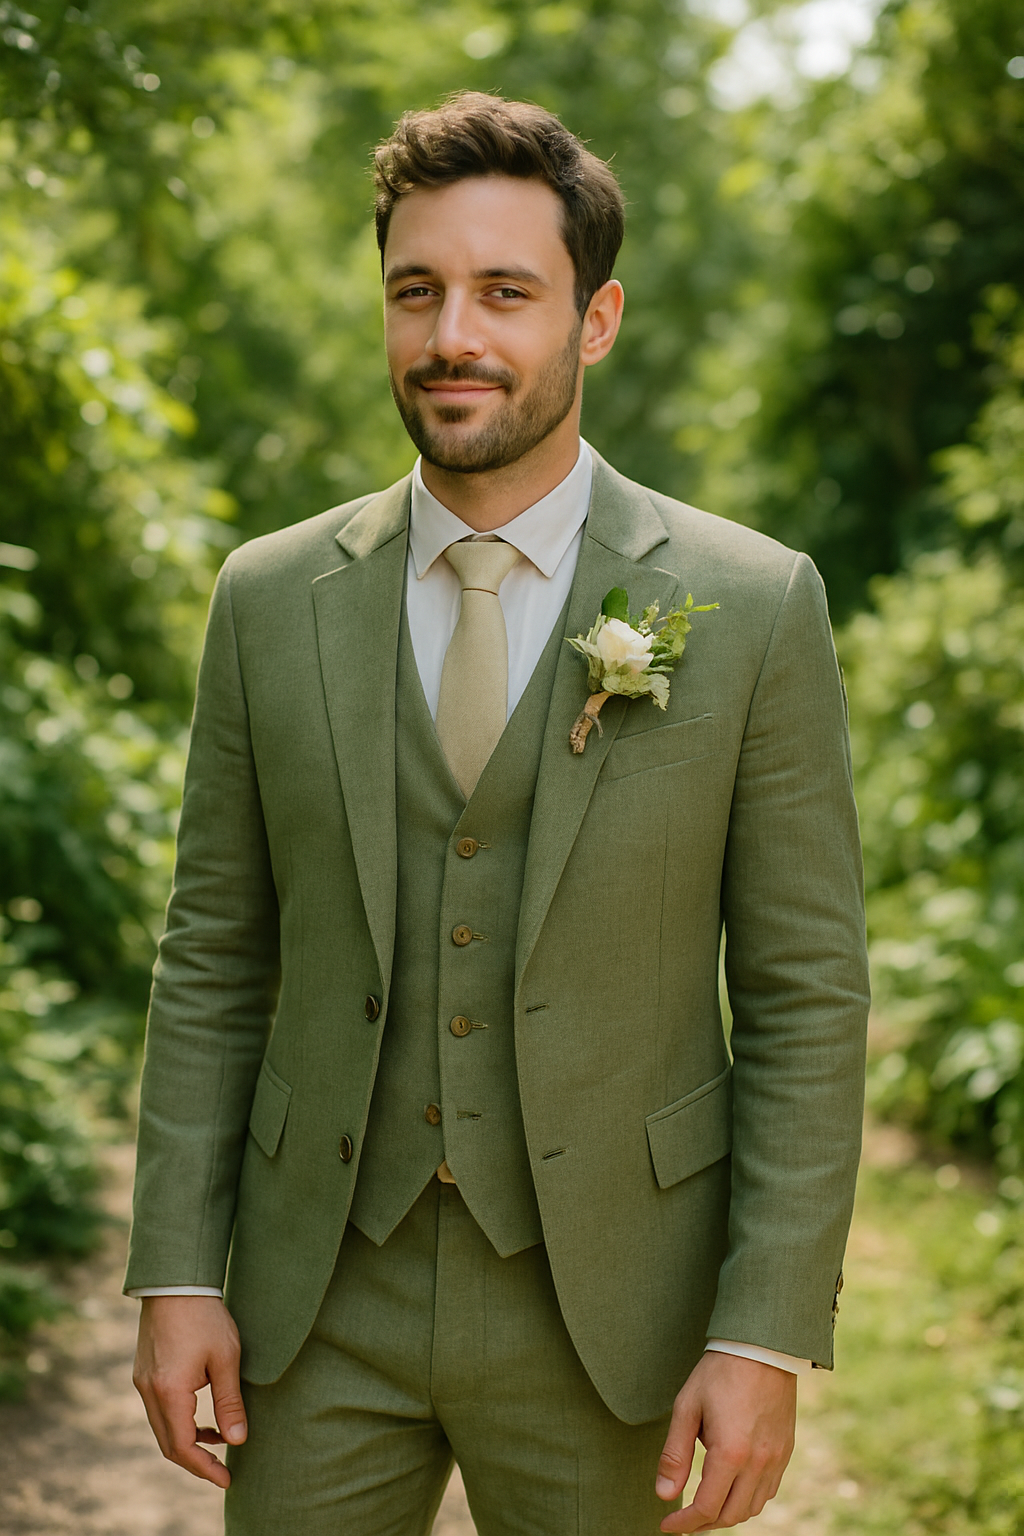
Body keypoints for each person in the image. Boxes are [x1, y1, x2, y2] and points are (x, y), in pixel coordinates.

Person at [127, 92, 869, 1536]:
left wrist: (762, 1332)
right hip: (313, 1300)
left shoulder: (755, 604)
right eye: (417, 291)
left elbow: (806, 990)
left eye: (505, 293)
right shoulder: (268, 599)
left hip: (617, 1310)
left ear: (595, 321)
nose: (451, 335)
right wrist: (175, 1270)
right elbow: (212, 951)